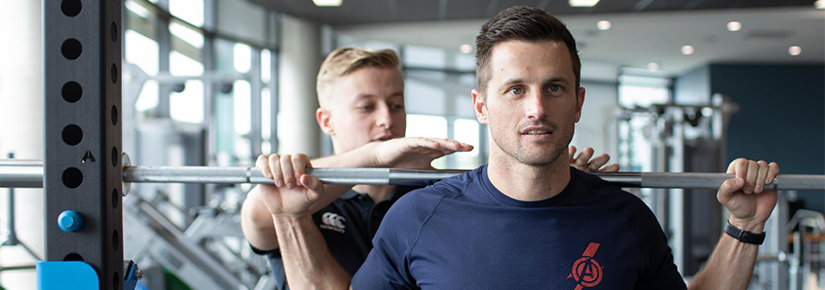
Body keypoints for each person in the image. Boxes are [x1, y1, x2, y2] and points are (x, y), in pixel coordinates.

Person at [261, 6, 781, 290]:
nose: (536, 108)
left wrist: (745, 227)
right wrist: (290, 221)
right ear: (481, 105)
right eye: (515, 89)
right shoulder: (417, 216)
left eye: (554, 88)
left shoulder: (626, 217)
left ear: (577, 103)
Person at [240, 47, 618, 288]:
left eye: (396, 104)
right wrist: (375, 158)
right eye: (366, 107)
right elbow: (264, 209)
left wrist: (556, 181)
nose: (387, 120)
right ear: (326, 121)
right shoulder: (298, 192)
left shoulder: (425, 201)